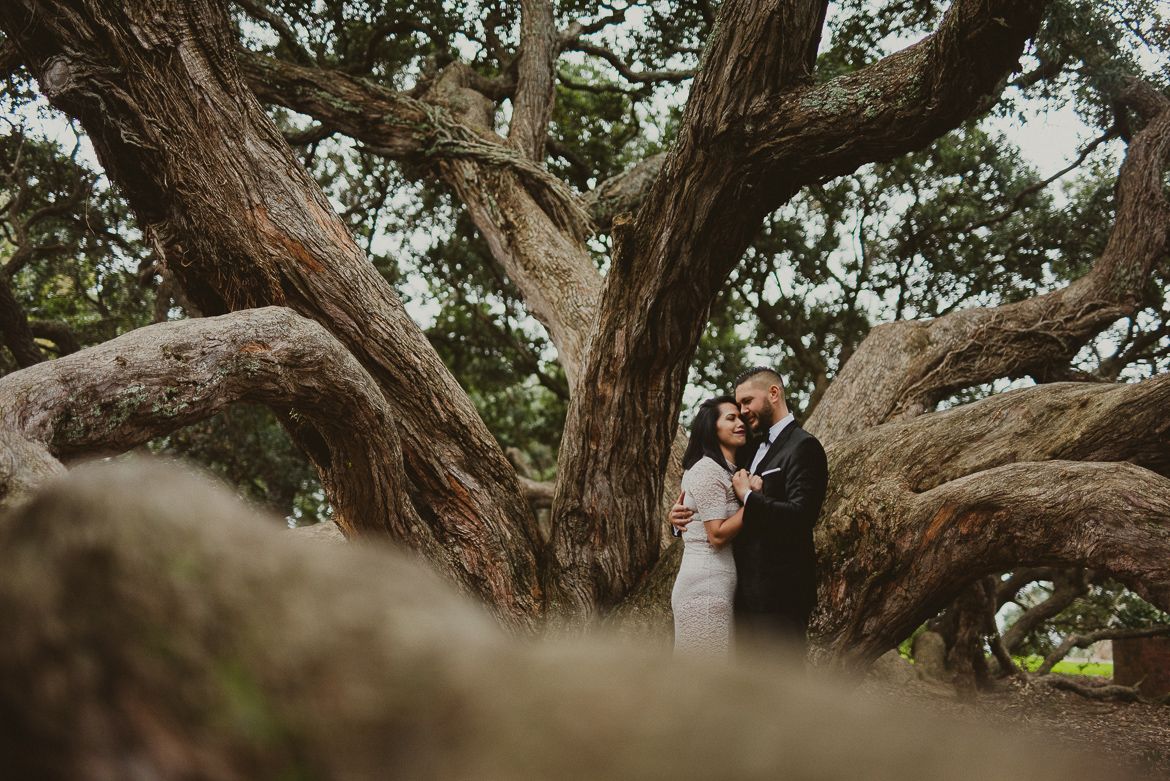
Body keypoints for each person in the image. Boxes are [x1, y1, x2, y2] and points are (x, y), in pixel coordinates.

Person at [671, 367, 828, 649]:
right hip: (738, 595)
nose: (742, 412)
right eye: (738, 405)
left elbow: (801, 516)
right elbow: (714, 493)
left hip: (779, 597)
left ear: (773, 393)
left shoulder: (804, 447)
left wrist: (750, 497)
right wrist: (682, 518)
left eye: (747, 402)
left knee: (781, 685)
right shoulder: (749, 448)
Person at [670, 395, 755, 657]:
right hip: (704, 587)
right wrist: (753, 501)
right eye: (731, 418)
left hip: (716, 584)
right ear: (711, 428)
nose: (740, 422)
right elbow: (716, 535)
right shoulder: (708, 470)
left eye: (740, 417)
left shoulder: (727, 470)